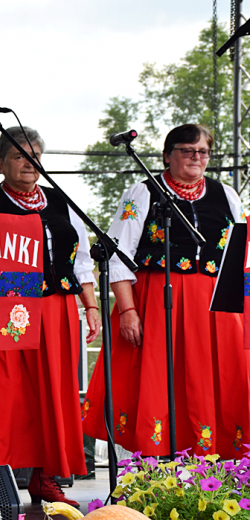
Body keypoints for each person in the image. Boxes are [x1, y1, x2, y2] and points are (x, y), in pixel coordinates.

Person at [83, 124, 250, 459]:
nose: (196, 157)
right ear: (167, 155)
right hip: (159, 300)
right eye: (187, 150)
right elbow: (118, 254)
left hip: (214, 304)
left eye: (202, 151)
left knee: (217, 380)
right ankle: (156, 468)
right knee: (161, 382)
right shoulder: (142, 192)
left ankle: (212, 469)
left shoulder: (226, 195)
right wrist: (128, 311)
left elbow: (241, 252)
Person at [0, 126, 99, 506]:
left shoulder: (62, 202)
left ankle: (45, 478)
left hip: (56, 309)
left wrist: (90, 307)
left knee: (52, 394)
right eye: (19, 156)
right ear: (1, 162)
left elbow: (82, 263)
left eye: (34, 156)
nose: (29, 163)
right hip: (3, 313)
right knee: (3, 395)